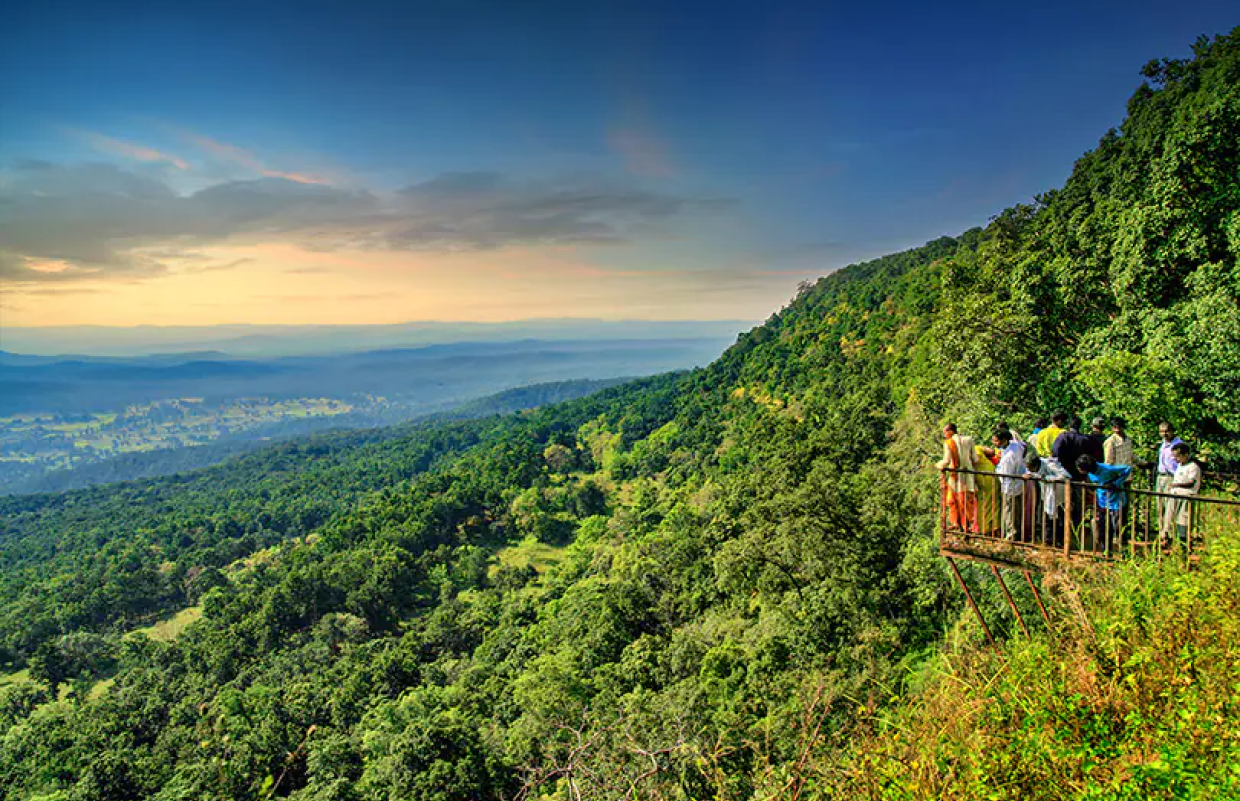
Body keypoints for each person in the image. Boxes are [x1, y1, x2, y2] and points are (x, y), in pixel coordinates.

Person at [1076, 454, 1132, 550]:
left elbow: (1127, 468)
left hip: (1116, 500)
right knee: (1104, 526)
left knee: (1118, 526)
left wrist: (1116, 483)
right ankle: (1105, 550)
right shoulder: (1090, 473)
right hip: (1102, 501)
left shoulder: (1107, 469)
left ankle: (1123, 550)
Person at [936, 423, 978, 532]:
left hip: (955, 477)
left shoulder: (948, 443)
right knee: (967, 500)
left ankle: (958, 524)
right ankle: (967, 525)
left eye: (945, 432)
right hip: (968, 475)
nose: (944, 435)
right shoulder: (969, 440)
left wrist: (939, 465)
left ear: (950, 431)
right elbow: (975, 459)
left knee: (953, 500)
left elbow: (946, 460)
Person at [1025, 453, 1070, 546]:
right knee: (1047, 519)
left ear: (1036, 465)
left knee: (1059, 520)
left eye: (1029, 468)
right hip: (1046, 496)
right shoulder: (1034, 469)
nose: (1028, 469)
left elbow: (1066, 476)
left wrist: (1046, 478)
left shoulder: (1050, 465)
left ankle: (1060, 542)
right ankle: (1048, 541)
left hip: (1059, 497)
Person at [1161, 442, 1202, 544]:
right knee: (1169, 518)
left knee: (1183, 520)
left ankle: (1184, 542)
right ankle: (1167, 537)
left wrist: (1176, 485)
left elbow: (1191, 483)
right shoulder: (1180, 466)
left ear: (1185, 455)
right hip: (1175, 495)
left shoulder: (1193, 467)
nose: (1175, 459)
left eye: (1178, 456)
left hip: (1186, 496)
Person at [994, 430, 1025, 541]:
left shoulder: (1009, 457)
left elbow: (1005, 474)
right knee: (1016, 510)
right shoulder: (1016, 446)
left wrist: (997, 469)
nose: (994, 443)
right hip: (1018, 484)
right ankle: (1017, 533)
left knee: (1009, 511)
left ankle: (1011, 535)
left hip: (1009, 486)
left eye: (996, 441)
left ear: (1004, 440)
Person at [1053, 417, 1097, 482]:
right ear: (1080, 426)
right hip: (1081, 472)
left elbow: (1055, 453)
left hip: (1064, 471)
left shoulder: (1063, 437)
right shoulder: (1086, 439)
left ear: (1069, 425)